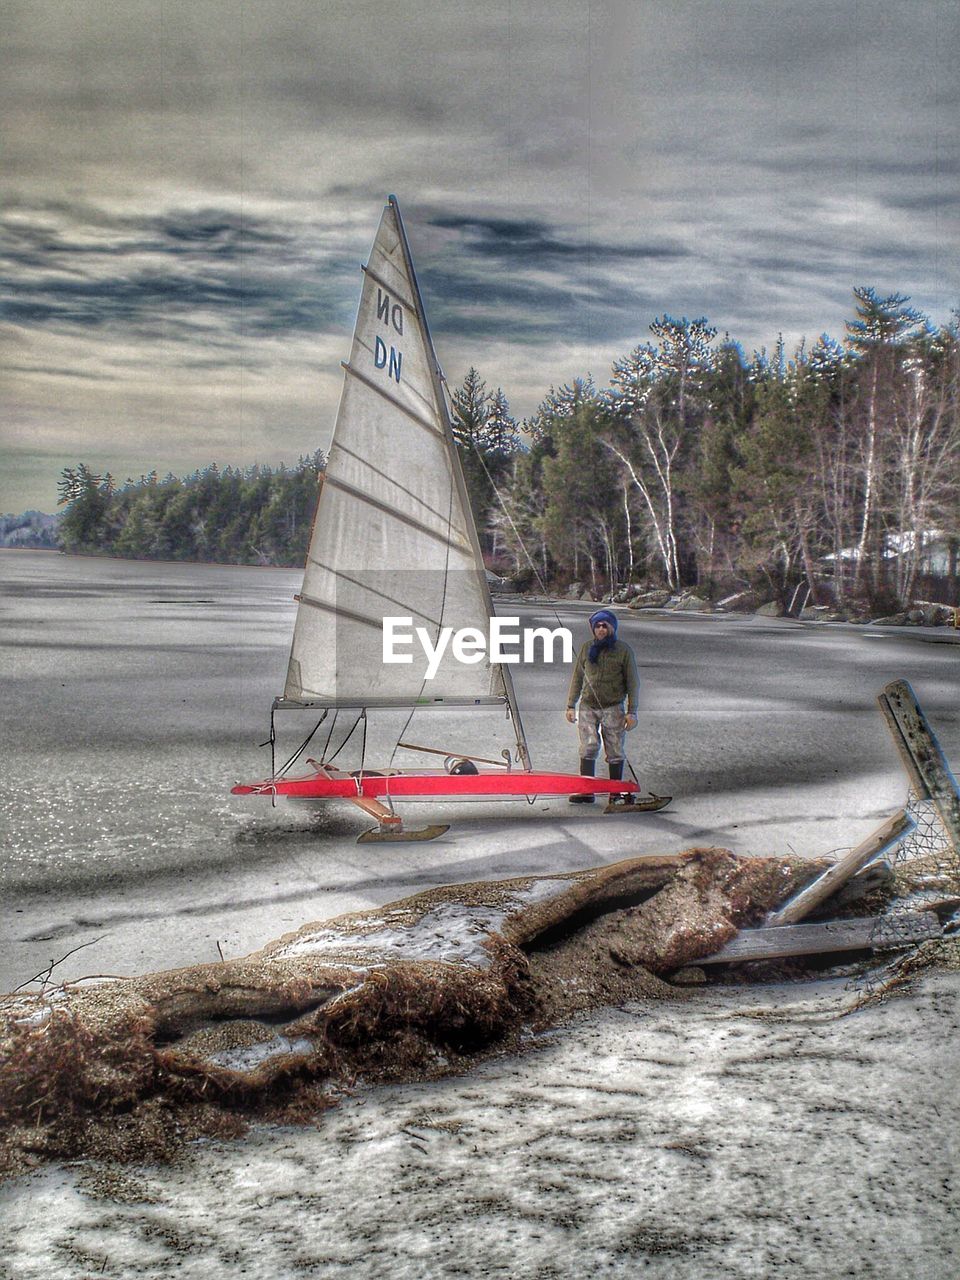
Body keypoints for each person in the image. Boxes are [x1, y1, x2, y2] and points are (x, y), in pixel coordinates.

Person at [565, 608, 639, 804]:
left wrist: (632, 712)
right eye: (597, 626)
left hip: (613, 707)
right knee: (588, 746)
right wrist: (570, 705)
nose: (600, 630)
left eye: (604, 626)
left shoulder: (623, 651)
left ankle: (614, 793)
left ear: (612, 628)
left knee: (614, 749)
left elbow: (633, 683)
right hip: (588, 706)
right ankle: (586, 791)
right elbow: (577, 678)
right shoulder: (586, 648)